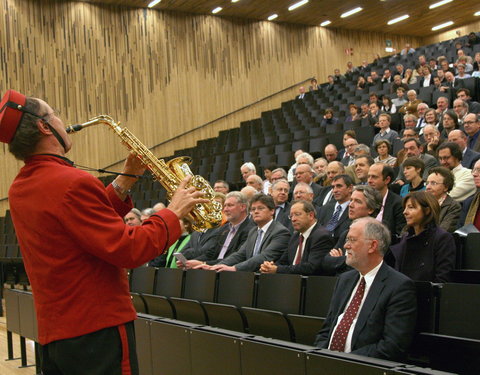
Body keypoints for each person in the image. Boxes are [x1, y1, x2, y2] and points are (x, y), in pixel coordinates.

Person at [1, 89, 206, 374]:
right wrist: (172, 212)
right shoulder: (71, 182)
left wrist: (124, 180)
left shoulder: (20, 187)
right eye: (55, 114)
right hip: (97, 332)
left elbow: (76, 224)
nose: (62, 121)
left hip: (58, 334)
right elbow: (130, 249)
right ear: (43, 126)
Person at [314, 217, 417, 361]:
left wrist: (344, 361)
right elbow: (326, 330)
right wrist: (322, 356)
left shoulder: (399, 287)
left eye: (352, 240)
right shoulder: (345, 280)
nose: (346, 246)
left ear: (372, 246)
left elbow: (392, 346)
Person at [200, 194, 291, 272]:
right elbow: (240, 255)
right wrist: (217, 266)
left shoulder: (281, 232)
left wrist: (235, 268)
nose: (256, 211)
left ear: (272, 211)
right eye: (253, 209)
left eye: (260, 208)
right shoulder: (253, 231)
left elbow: (264, 257)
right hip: (249, 277)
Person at [387, 192, 456, 283]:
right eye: (405, 208)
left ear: (427, 210)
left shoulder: (443, 238)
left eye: (411, 207)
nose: (405, 212)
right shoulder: (405, 238)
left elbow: (442, 278)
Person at [260, 200, 334, 275]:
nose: (293, 219)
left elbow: (311, 267)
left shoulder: (321, 236)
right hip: (291, 282)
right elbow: (283, 261)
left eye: (297, 214)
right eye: (291, 216)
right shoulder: (295, 236)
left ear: (311, 215)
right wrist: (270, 266)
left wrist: (278, 269)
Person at [182, 192, 254, 268]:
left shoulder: (251, 229)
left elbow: (236, 258)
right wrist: (194, 262)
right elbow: (211, 253)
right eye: (225, 206)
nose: (225, 209)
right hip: (214, 270)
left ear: (242, 207)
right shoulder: (223, 228)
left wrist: (204, 263)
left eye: (230, 205)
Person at [425, 167, 461, 233]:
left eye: (433, 183)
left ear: (446, 187)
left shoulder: (453, 206)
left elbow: (443, 231)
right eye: (427, 183)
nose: (428, 187)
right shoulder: (421, 203)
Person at [458, 159, 480, 230]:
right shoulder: (469, 202)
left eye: (479, 170)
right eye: (474, 170)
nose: (474, 174)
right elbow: (461, 232)